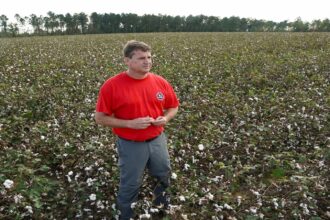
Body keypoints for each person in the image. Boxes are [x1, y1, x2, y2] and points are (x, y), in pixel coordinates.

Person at [95, 40, 179, 219]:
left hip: (158, 140)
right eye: (141, 58)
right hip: (131, 144)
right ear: (127, 60)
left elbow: (173, 106)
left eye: (149, 57)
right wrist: (129, 124)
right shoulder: (112, 86)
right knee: (131, 183)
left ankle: (161, 210)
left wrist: (165, 118)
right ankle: (126, 215)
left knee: (163, 175)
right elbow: (100, 118)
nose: (147, 61)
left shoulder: (160, 82)